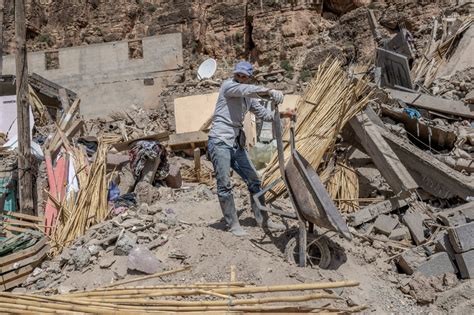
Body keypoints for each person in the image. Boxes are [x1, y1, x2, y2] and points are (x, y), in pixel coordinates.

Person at [208, 61, 295, 236]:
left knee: (254, 180)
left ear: (249, 77)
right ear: (234, 75)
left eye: (243, 76)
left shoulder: (249, 97)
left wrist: (283, 114)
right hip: (220, 141)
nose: (240, 78)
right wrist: (269, 91)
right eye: (237, 75)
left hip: (236, 143)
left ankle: (263, 220)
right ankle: (232, 224)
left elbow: (264, 114)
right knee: (224, 185)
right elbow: (245, 90)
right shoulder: (229, 86)